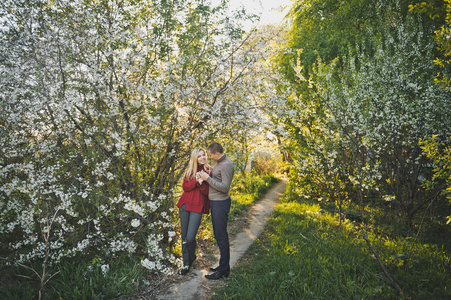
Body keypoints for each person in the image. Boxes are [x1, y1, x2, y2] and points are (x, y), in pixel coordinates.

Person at [199, 142, 235, 280]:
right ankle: (222, 266)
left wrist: (207, 179)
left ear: (217, 154)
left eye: (210, 155)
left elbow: (225, 187)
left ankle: (224, 270)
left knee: (221, 237)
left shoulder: (226, 165)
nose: (209, 157)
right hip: (216, 203)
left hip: (220, 203)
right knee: (219, 236)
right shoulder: (219, 162)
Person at [176, 148, 211, 275]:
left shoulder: (209, 171)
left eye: (204, 155)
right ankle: (186, 264)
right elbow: (185, 187)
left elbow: (207, 193)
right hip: (185, 205)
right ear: (195, 158)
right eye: (199, 156)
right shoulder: (190, 171)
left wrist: (202, 183)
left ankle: (191, 257)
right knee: (184, 236)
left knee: (190, 237)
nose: (202, 158)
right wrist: (195, 181)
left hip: (198, 206)